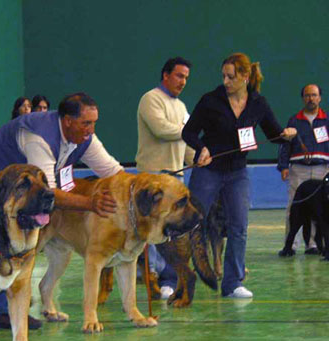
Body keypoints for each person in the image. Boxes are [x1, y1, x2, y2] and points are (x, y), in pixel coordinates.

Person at [0, 92, 122, 329]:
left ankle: (2, 300)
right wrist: (90, 203)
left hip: (22, 185)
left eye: (94, 123)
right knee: (5, 237)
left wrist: (139, 187)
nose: (91, 129)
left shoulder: (85, 138)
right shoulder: (38, 137)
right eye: (86, 123)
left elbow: (113, 171)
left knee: (21, 240)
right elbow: (48, 193)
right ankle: (2, 308)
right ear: (68, 121)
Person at [182, 52, 297, 299]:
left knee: (239, 226)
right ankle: (175, 279)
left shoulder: (258, 104)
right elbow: (188, 132)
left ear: (245, 77)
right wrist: (201, 149)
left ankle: (232, 283)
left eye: (231, 77)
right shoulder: (210, 101)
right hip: (208, 171)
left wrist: (286, 134)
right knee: (189, 222)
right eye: (223, 76)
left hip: (237, 173)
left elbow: (274, 134)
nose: (225, 81)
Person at [135, 56, 195, 299]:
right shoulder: (150, 99)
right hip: (153, 178)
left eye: (186, 78)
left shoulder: (181, 107)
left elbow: (186, 139)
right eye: (179, 76)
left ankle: (168, 279)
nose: (183, 82)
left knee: (171, 232)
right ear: (166, 75)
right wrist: (190, 132)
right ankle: (151, 275)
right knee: (152, 232)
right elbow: (161, 130)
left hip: (176, 179)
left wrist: (198, 156)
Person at [277, 84, 329, 254]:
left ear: (320, 98)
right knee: (294, 207)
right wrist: (284, 166)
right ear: (303, 98)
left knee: (320, 209)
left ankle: (313, 244)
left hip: (322, 169)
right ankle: (290, 245)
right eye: (307, 95)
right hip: (298, 170)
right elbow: (285, 145)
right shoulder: (294, 120)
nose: (311, 98)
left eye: (314, 95)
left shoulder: (326, 120)